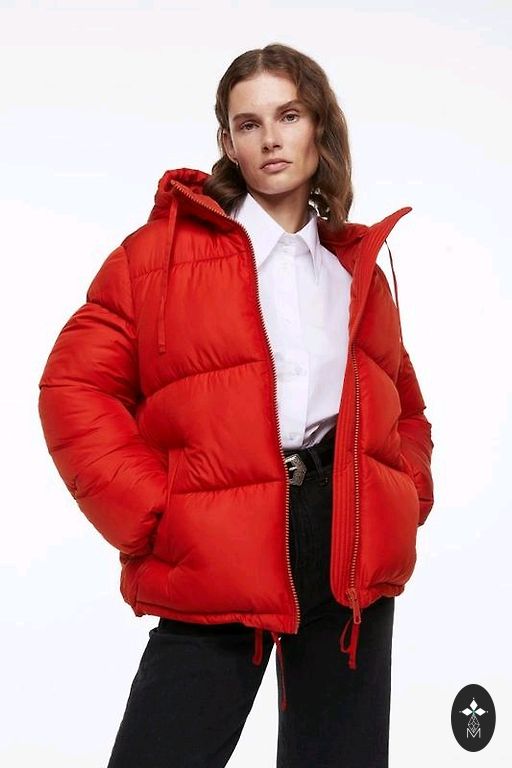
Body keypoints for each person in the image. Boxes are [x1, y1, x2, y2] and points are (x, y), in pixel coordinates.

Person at [38, 42, 434, 768]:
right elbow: (73, 388)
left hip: (344, 551)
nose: (271, 138)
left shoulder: (354, 271)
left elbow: (404, 405)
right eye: (249, 124)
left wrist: (403, 495)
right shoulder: (157, 256)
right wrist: (156, 513)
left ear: (320, 126)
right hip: (216, 542)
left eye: (289, 115)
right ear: (228, 142)